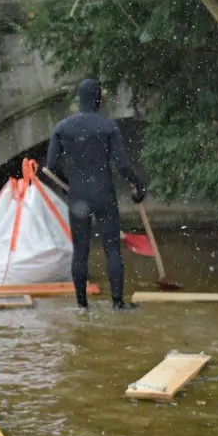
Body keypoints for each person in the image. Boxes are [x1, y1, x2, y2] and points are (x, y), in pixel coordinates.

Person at [45, 78, 147, 310]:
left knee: (80, 250)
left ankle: (82, 304)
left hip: (78, 194)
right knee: (112, 248)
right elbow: (122, 165)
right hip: (103, 192)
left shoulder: (62, 128)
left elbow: (51, 164)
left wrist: (66, 183)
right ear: (98, 100)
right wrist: (137, 182)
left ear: (78, 100)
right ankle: (117, 303)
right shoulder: (108, 126)